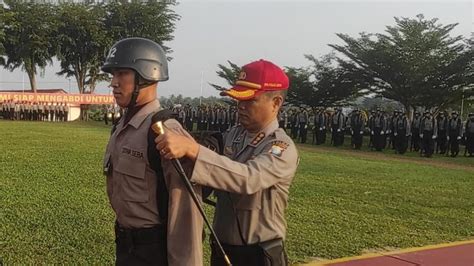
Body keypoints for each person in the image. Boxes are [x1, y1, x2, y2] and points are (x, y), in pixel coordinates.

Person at [156, 59, 298, 266]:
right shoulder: (234, 135)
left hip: (258, 255)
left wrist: (194, 150)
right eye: (239, 101)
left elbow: (249, 178)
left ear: (276, 103)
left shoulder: (281, 147)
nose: (241, 107)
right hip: (222, 250)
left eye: (250, 101)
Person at [101, 37, 203, 266]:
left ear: (147, 74)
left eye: (122, 74)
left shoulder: (165, 131)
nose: (113, 83)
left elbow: (186, 216)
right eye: (113, 75)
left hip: (154, 250)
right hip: (127, 245)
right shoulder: (121, 127)